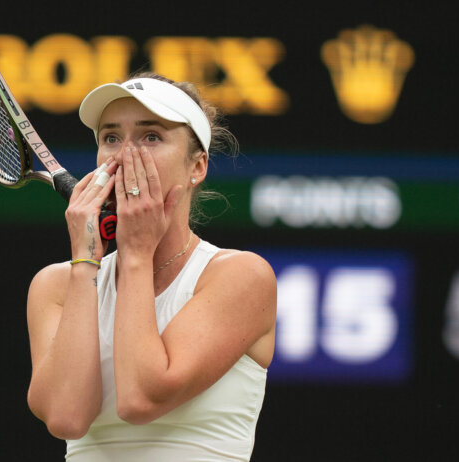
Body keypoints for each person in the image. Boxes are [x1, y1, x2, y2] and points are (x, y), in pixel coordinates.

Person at [26, 72, 277, 461]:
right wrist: (85, 261)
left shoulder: (241, 276)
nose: (125, 155)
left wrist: (137, 254)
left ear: (197, 167)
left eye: (151, 137)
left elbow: (140, 399)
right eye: (111, 138)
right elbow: (67, 417)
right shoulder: (55, 284)